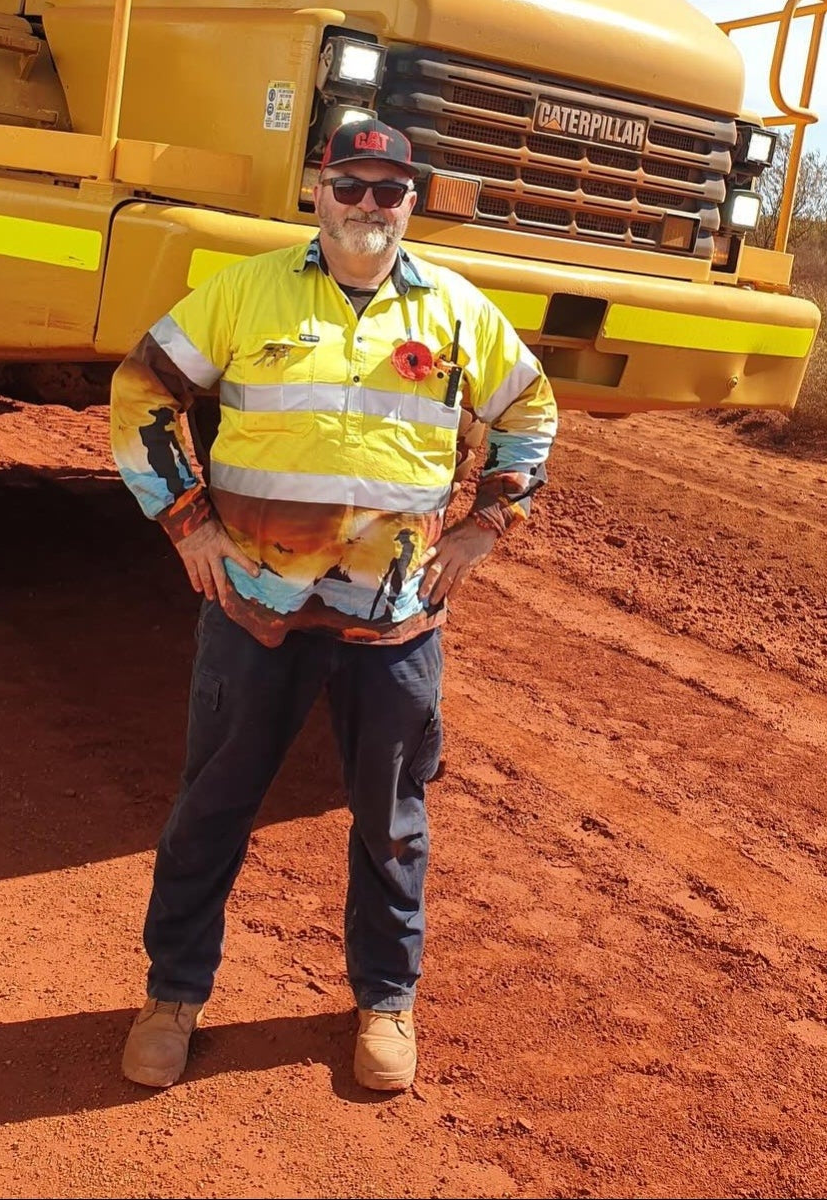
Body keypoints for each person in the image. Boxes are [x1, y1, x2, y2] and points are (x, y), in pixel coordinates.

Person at [110, 117, 558, 1092]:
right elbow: (142, 391)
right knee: (212, 806)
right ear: (320, 186)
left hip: (394, 617)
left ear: (410, 201)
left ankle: (386, 1001)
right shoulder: (245, 288)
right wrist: (188, 522)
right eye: (351, 184)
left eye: (388, 191)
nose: (368, 205)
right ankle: (173, 995)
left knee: (391, 818)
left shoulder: (454, 310)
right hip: (255, 606)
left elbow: (530, 412)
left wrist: (485, 528)